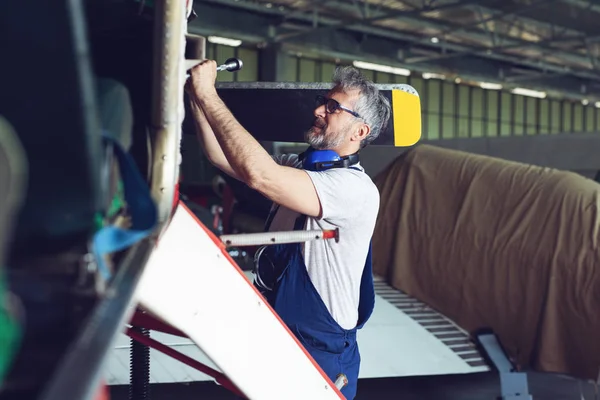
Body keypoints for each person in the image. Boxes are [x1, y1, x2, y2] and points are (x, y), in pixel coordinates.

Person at [186, 61, 391, 399]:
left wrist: (210, 95)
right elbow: (222, 157)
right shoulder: (300, 168)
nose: (319, 110)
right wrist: (195, 97)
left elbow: (259, 174)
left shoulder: (353, 189)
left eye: (333, 107)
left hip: (318, 349)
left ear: (360, 132)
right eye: (323, 101)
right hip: (275, 330)